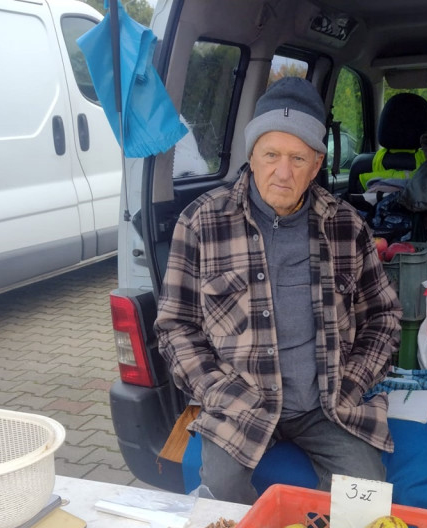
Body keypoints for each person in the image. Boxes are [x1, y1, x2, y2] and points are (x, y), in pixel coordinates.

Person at [155, 76, 403, 505]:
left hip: (326, 405)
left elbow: (384, 316)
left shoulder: (346, 225)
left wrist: (354, 380)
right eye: (271, 155)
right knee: (221, 502)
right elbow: (175, 326)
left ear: (317, 163)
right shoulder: (201, 222)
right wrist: (216, 390)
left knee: (366, 500)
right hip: (239, 403)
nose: (283, 173)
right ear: (251, 155)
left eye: (298, 158)